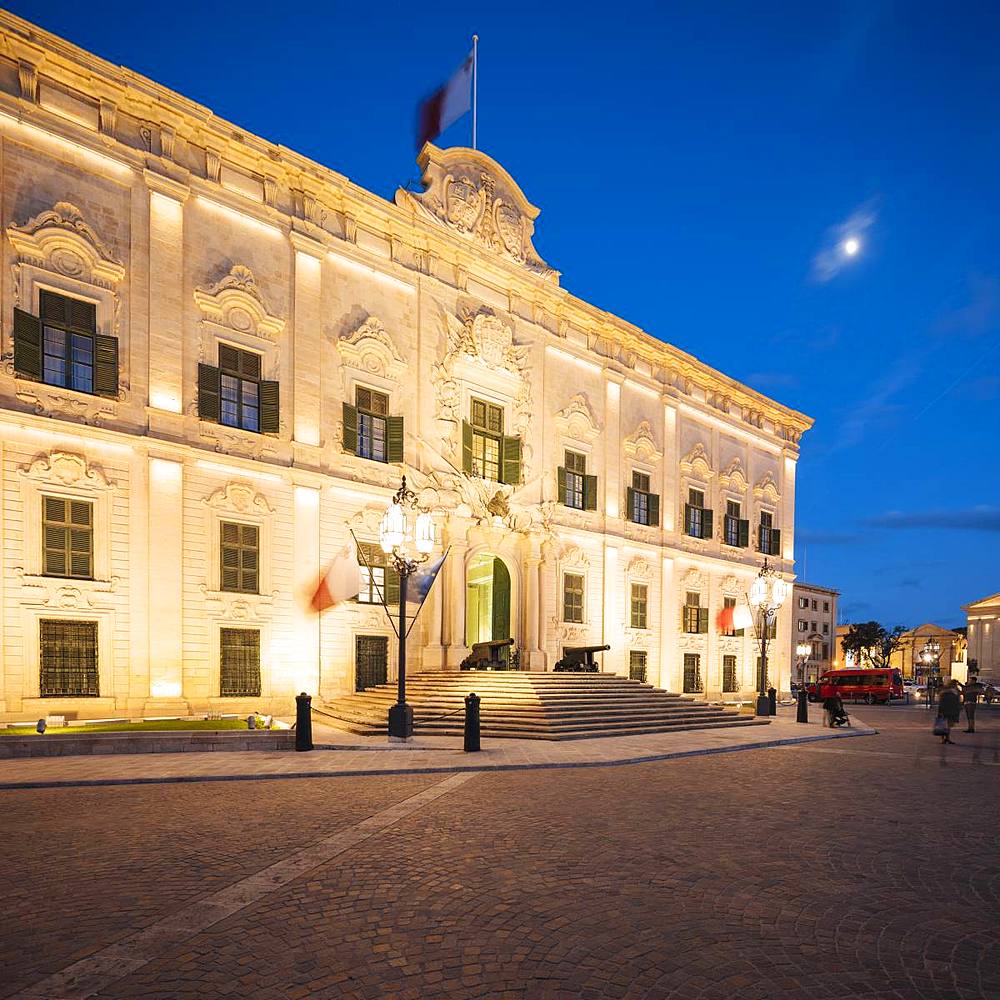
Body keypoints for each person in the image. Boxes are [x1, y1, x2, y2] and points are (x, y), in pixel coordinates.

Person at [937, 679, 962, 745]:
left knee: (945, 724)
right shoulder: (952, 690)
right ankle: (946, 739)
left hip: (945, 708)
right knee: (947, 724)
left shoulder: (946, 690)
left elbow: (940, 698)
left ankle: (945, 739)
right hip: (950, 708)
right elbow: (958, 698)